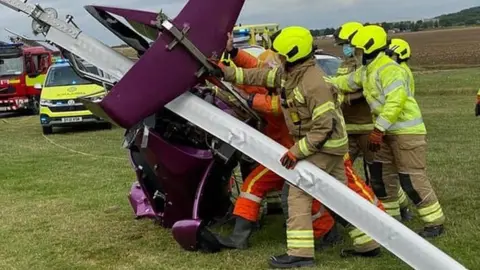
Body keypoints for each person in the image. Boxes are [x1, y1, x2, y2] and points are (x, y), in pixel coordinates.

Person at [216, 26, 381, 268]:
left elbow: (323, 128)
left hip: (323, 148)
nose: (278, 59)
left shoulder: (314, 85)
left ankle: (301, 254)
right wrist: (226, 71)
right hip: (325, 147)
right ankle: (368, 243)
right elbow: (259, 76)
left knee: (298, 194)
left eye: (281, 55)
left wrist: (296, 152)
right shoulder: (292, 74)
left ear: (292, 55)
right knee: (339, 197)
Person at [214, 37, 338, 251]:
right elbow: (254, 70)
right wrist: (228, 59)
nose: (277, 61)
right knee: (255, 186)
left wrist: (253, 101)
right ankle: (239, 237)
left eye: (280, 57)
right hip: (284, 153)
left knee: (308, 197)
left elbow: (281, 107)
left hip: (300, 152)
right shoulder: (285, 74)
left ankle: (328, 233)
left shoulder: (303, 85)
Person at [326, 25, 445, 238]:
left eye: (359, 49)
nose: (356, 53)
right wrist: (321, 82)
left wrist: (379, 129)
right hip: (383, 133)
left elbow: (395, 101)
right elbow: (343, 82)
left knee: (411, 179)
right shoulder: (367, 71)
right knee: (381, 178)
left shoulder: (390, 69)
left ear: (370, 49)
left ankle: (434, 222)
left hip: (405, 133)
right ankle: (390, 222)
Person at [333, 23, 412, 221]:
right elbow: (343, 83)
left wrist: (348, 97)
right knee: (343, 169)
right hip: (348, 126)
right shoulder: (345, 64)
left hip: (369, 126)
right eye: (343, 44)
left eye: (347, 44)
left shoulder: (369, 65)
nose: (346, 48)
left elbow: (366, 88)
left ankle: (399, 208)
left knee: (379, 173)